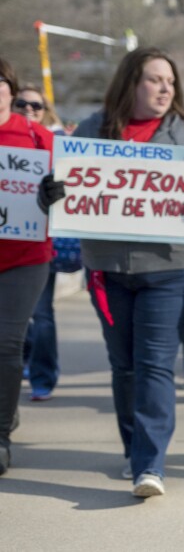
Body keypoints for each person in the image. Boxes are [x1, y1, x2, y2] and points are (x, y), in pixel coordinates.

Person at [37, 47, 184, 497]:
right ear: (131, 83)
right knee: (124, 366)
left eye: (170, 80)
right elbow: (65, 196)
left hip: (169, 269)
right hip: (107, 270)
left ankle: (151, 465)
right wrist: (47, 195)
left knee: (154, 367)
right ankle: (135, 450)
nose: (165, 88)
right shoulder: (92, 131)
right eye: (154, 79)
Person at [0, 58, 55, 476]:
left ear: (10, 90)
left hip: (25, 258)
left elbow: (74, 194)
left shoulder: (38, 139)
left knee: (7, 342)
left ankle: (0, 434)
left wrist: (55, 194)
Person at [15, 84, 69, 402]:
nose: (29, 109)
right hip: (7, 243)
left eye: (37, 105)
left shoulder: (57, 144)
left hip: (41, 244)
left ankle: (43, 376)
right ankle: (19, 363)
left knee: (42, 314)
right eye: (22, 103)